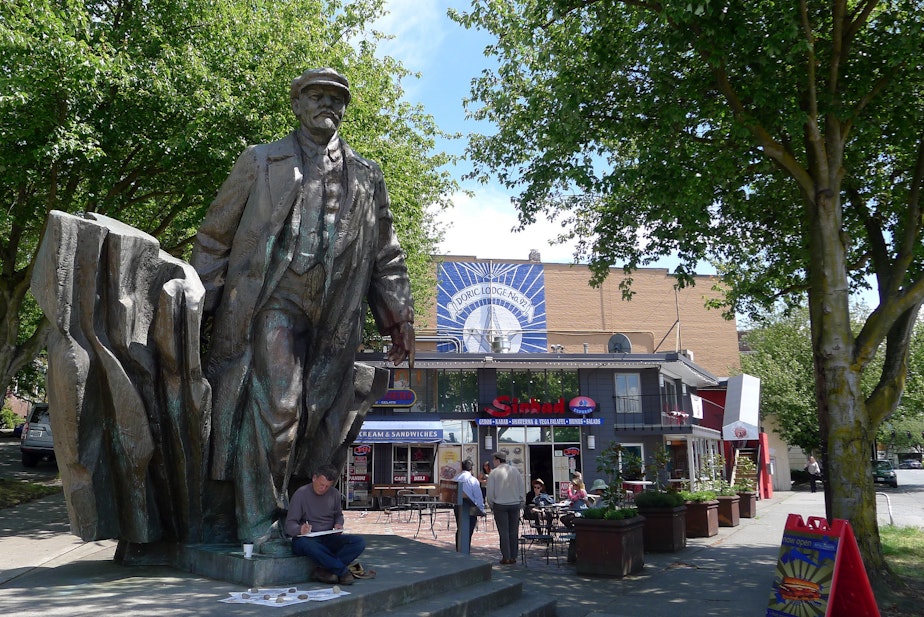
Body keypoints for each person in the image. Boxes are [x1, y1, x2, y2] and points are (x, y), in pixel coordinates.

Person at [192, 67, 415, 543]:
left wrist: (399, 315)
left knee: (321, 415)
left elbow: (385, 253)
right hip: (274, 298)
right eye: (316, 95)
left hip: (337, 310)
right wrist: (200, 304)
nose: (327, 104)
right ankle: (257, 520)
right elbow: (214, 236)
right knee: (280, 405)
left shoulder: (367, 175)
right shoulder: (260, 161)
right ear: (296, 103)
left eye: (337, 98)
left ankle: (301, 517)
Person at [285, 464, 365, 585]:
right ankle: (342, 571)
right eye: (321, 484)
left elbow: (338, 515)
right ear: (314, 478)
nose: (323, 488)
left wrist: (338, 524)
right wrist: (300, 529)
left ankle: (325, 570)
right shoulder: (301, 494)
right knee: (307, 544)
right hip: (307, 539)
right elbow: (289, 526)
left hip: (327, 536)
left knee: (358, 542)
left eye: (327, 486)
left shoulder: (334, 494)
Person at [485, 451, 525, 565]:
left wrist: (491, 504)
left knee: (503, 532)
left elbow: (490, 493)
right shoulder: (515, 470)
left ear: (497, 460)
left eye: (494, 460)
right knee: (513, 531)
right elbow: (521, 487)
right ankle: (513, 556)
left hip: (500, 505)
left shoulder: (494, 473)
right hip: (515, 504)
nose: (493, 462)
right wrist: (521, 501)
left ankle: (506, 557)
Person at [454, 459, 486, 545]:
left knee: (460, 528)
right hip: (470, 508)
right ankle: (465, 548)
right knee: (469, 530)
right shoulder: (473, 480)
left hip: (458, 506)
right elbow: (478, 496)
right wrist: (481, 509)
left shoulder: (456, 478)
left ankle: (459, 548)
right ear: (471, 468)